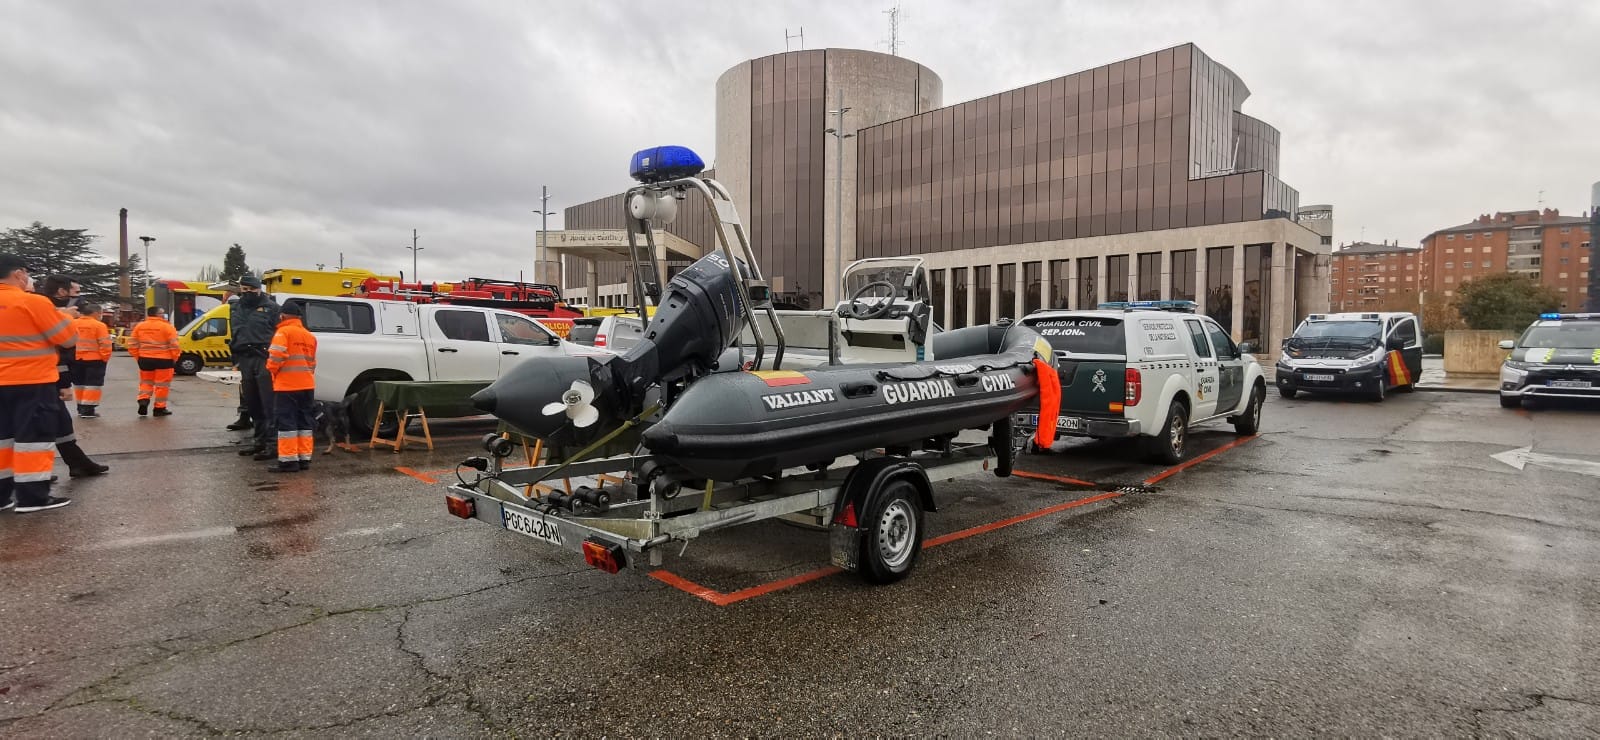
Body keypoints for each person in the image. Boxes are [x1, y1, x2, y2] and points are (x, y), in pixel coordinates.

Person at [0, 254, 77, 512]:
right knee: (32, 439)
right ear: (19, 274)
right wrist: (65, 316)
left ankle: (2, 496)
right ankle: (33, 497)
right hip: (31, 382)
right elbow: (66, 339)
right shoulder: (32, 302)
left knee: (3, 439)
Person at [38, 275, 110, 476]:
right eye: (76, 293)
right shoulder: (42, 308)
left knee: (61, 422)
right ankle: (33, 475)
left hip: (47, 373)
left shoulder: (47, 308)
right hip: (37, 377)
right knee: (36, 427)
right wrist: (66, 317)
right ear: (62, 292)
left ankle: (77, 463)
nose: (80, 300)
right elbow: (64, 343)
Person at [230, 276, 280, 460]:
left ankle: (273, 444)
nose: (248, 293)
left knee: (269, 404)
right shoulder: (235, 308)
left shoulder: (272, 308)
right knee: (253, 404)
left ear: (259, 289)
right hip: (244, 358)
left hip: (263, 358)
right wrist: (234, 358)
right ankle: (259, 442)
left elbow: (278, 333)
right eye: (244, 289)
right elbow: (234, 332)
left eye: (252, 289)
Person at [266, 302, 317, 473]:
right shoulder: (309, 336)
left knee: (287, 422)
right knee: (304, 422)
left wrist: (271, 370)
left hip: (287, 386)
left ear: (283, 315)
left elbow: (276, 356)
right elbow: (312, 363)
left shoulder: (283, 332)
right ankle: (304, 459)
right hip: (307, 385)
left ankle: (288, 461)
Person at [128, 306, 180, 417]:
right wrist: (175, 358)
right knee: (162, 385)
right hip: (164, 360)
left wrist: (138, 357)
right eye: (162, 312)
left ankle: (143, 400)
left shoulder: (140, 326)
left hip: (145, 359)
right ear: (158, 314)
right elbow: (174, 345)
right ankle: (159, 408)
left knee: (146, 382)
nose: (163, 314)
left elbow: (131, 344)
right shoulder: (167, 327)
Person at [70, 302, 114, 418]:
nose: (101, 315)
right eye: (100, 313)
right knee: (93, 384)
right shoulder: (99, 325)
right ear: (95, 313)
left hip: (76, 359)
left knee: (79, 383)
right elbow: (105, 344)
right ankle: (88, 409)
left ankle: (80, 407)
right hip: (95, 359)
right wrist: (105, 358)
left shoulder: (72, 323)